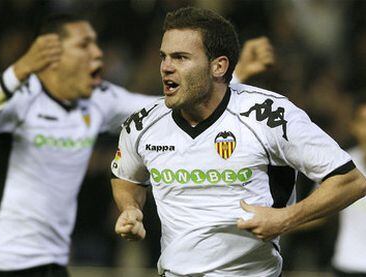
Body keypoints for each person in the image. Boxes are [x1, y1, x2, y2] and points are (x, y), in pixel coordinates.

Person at [0, 12, 273, 277]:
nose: (96, 52)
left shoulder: (98, 99)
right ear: (51, 54)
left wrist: (236, 74)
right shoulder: (19, 98)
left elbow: (167, 107)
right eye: (84, 44)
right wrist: (21, 68)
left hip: (50, 258)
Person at [111, 7, 366, 277]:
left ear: (218, 66)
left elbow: (350, 181)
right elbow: (126, 177)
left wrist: (284, 219)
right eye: (164, 57)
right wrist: (130, 208)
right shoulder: (142, 124)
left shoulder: (270, 116)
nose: (166, 67)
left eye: (181, 57)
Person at [331, 99, 366, 277]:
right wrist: (281, 220)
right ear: (353, 126)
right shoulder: (341, 164)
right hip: (347, 265)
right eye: (364, 122)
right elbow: (317, 210)